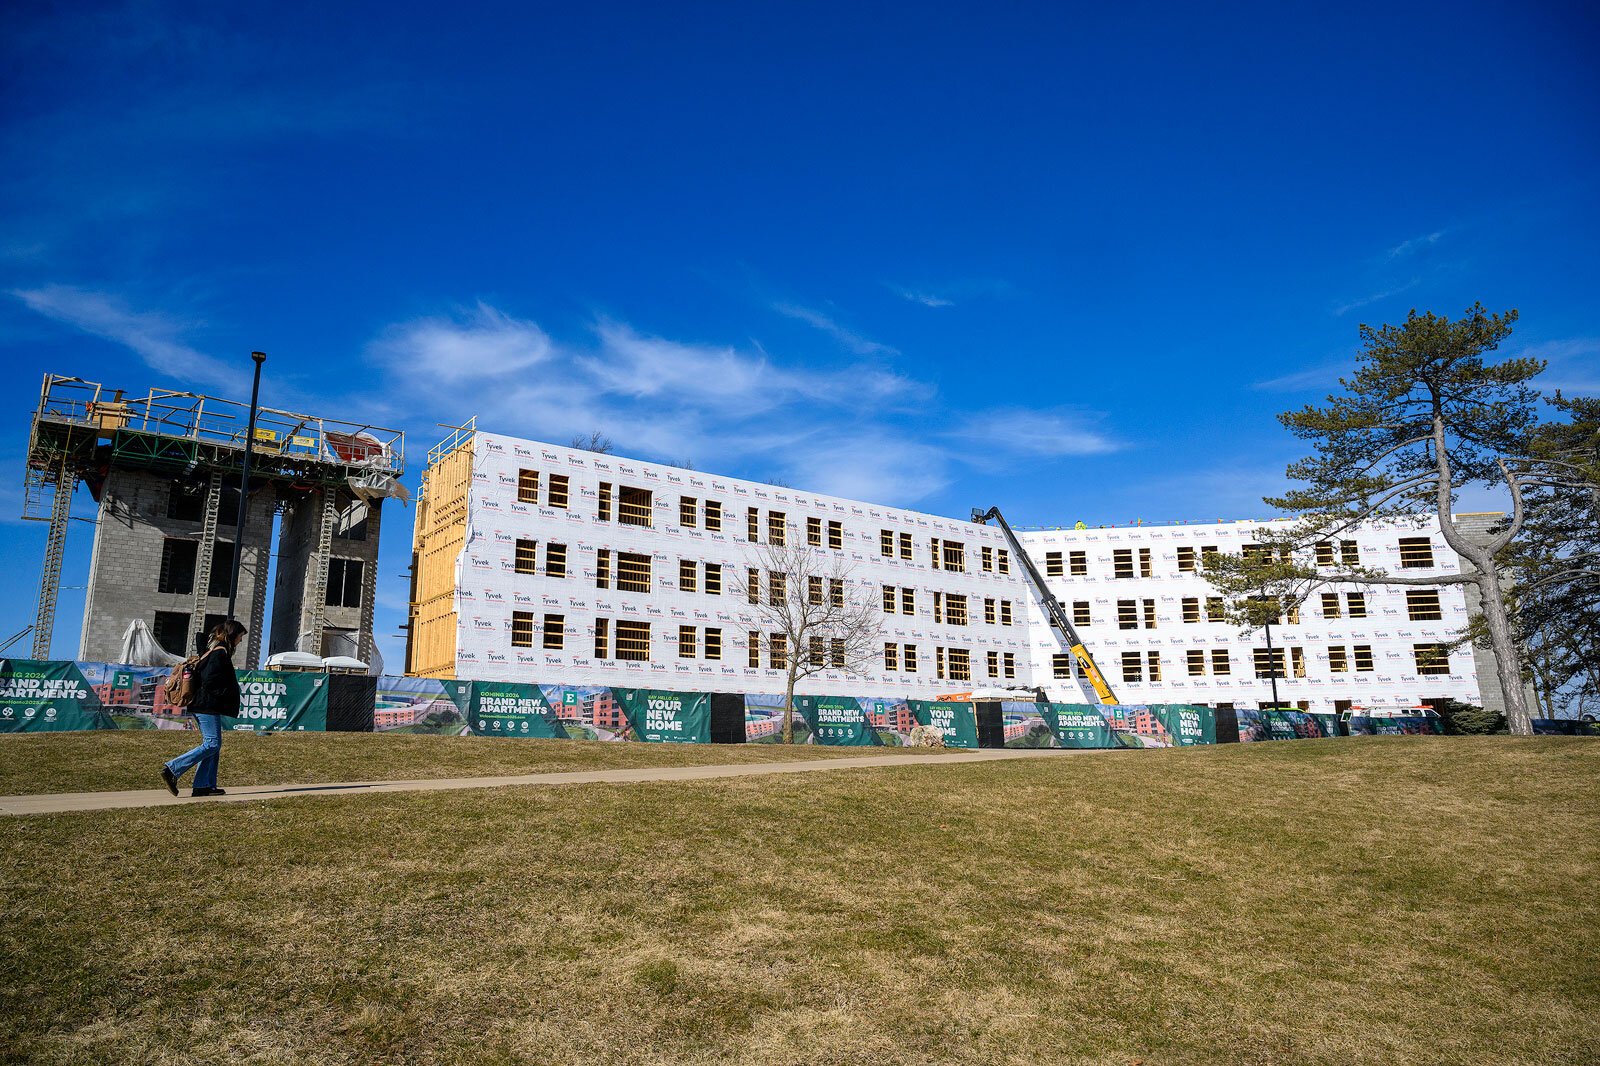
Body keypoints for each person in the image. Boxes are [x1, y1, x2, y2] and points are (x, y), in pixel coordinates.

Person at [159, 619, 246, 798]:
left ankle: (203, 785)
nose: (241, 640)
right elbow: (210, 681)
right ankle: (172, 768)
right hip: (206, 705)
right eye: (240, 636)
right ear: (232, 634)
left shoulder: (215, 650)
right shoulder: (219, 653)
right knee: (212, 743)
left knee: (213, 746)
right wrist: (227, 692)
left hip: (205, 705)